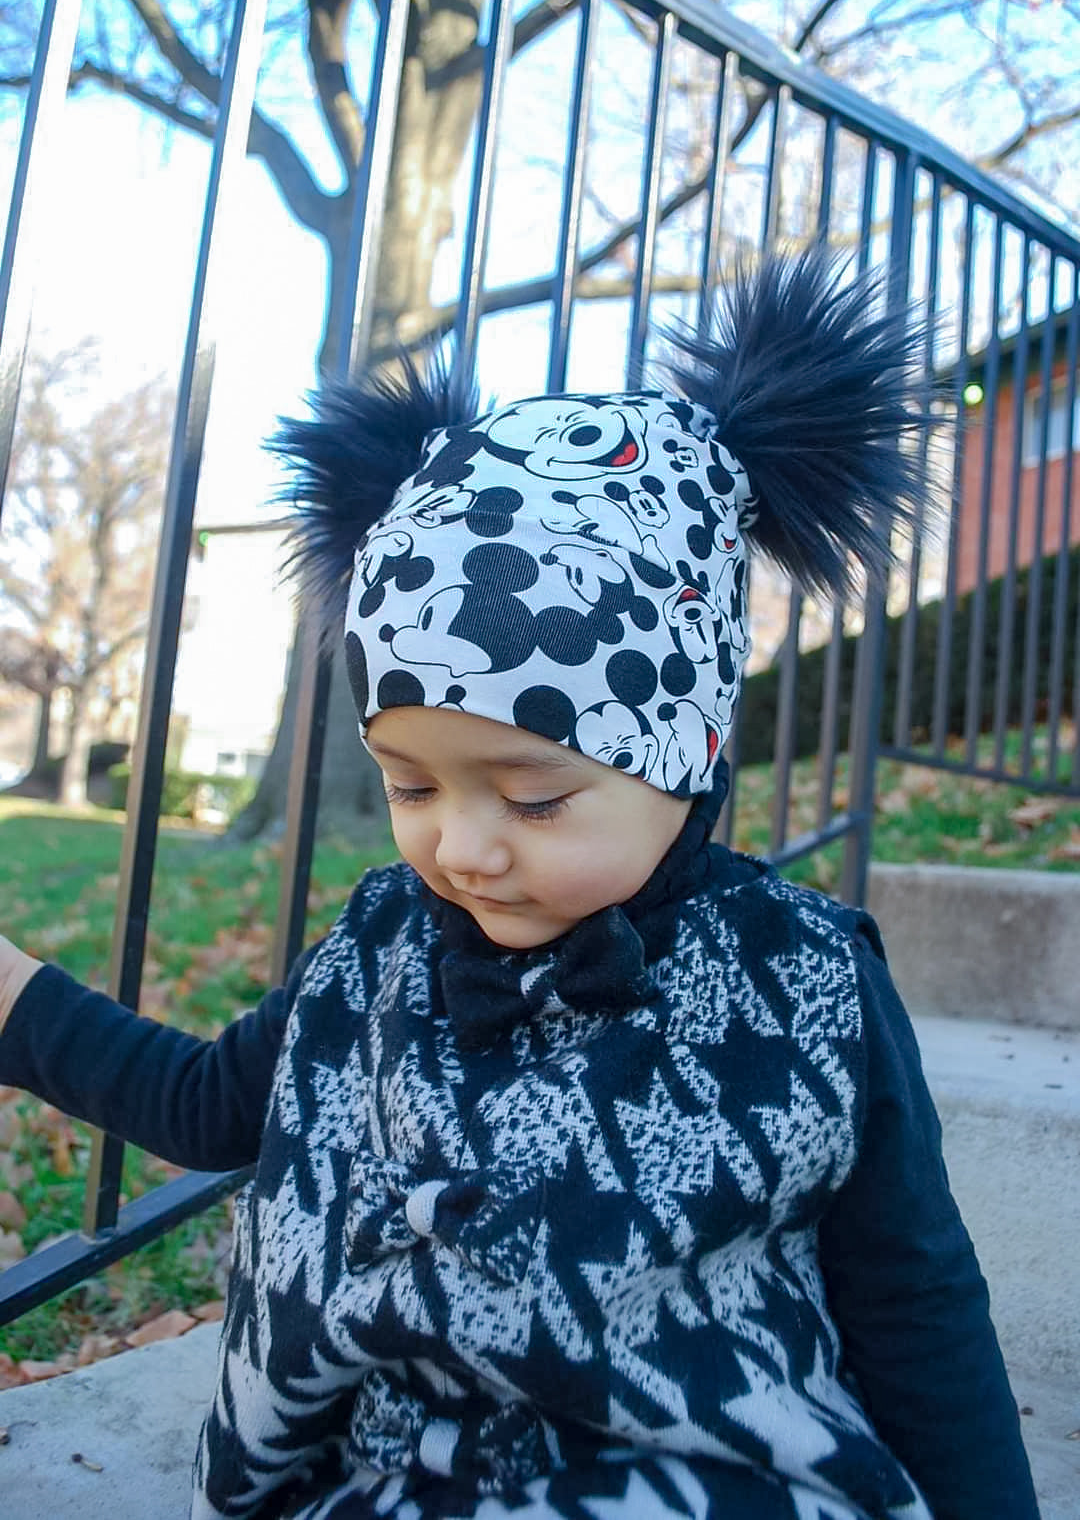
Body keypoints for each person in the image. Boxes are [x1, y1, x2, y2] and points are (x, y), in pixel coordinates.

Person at [0, 252, 1039, 1520]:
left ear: (688, 746)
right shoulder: (382, 949)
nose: (464, 849)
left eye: (533, 795)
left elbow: (915, 1295)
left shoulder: (806, 982)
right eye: (413, 784)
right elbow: (212, 1103)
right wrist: (18, 1000)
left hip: (708, 1480)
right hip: (399, 1481)